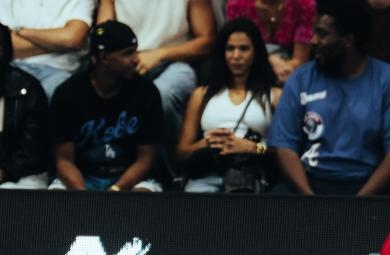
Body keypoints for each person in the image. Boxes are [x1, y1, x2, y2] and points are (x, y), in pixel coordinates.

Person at [268, 0, 390, 196]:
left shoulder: (389, 82)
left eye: (322, 34)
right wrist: (309, 199)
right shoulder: (301, 78)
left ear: (348, 41)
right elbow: (284, 146)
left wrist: (358, 203)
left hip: (371, 185)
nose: (313, 41)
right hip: (310, 182)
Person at [49, 21, 164, 192]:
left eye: (136, 51)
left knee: (142, 196)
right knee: (58, 198)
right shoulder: (68, 94)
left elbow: (145, 159)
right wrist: (83, 194)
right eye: (128, 53)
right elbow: (64, 160)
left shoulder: (147, 92)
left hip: (129, 178)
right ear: (104, 58)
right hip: (84, 176)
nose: (136, 59)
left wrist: (116, 189)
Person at [96, 0, 217, 153]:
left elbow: (208, 41)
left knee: (162, 95)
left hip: (175, 61)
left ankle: (168, 172)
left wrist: (160, 54)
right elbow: (103, 33)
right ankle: (110, 167)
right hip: (124, 62)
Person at [176, 18, 281, 193]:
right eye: (230, 48)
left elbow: (280, 153)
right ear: (222, 53)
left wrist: (252, 148)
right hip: (206, 174)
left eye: (244, 49)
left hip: (248, 175)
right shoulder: (201, 95)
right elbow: (181, 154)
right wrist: (205, 143)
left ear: (256, 52)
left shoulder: (275, 95)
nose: (236, 56)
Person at [0, 0, 93, 100]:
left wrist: (21, 31)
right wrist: (59, 42)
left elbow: (71, 39)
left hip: (58, 71)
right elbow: (5, 45)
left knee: (65, 96)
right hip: (12, 67)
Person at [0, 22, 51, 189]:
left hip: (22, 174)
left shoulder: (27, 88)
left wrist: (5, 171)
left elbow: (34, 151)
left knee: (14, 194)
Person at [226, 0, 315, 84]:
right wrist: (271, 60)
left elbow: (299, 61)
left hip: (291, 74)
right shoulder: (237, 4)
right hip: (249, 71)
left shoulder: (304, 4)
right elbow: (237, 52)